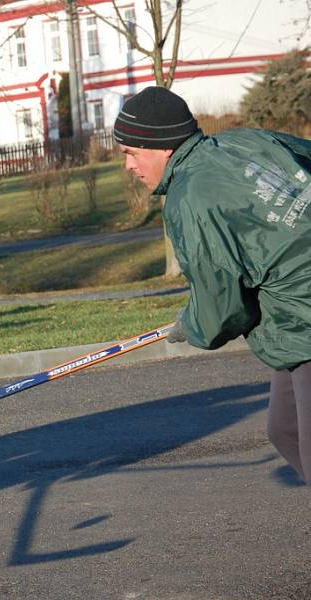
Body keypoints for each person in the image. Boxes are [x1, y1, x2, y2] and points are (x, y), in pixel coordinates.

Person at [113, 85, 311, 483]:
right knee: (285, 430)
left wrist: (192, 325)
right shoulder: (244, 141)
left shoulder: (191, 199)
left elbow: (222, 308)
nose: (128, 167)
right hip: (294, 323)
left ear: (162, 147)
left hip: (305, 317)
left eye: (131, 153)